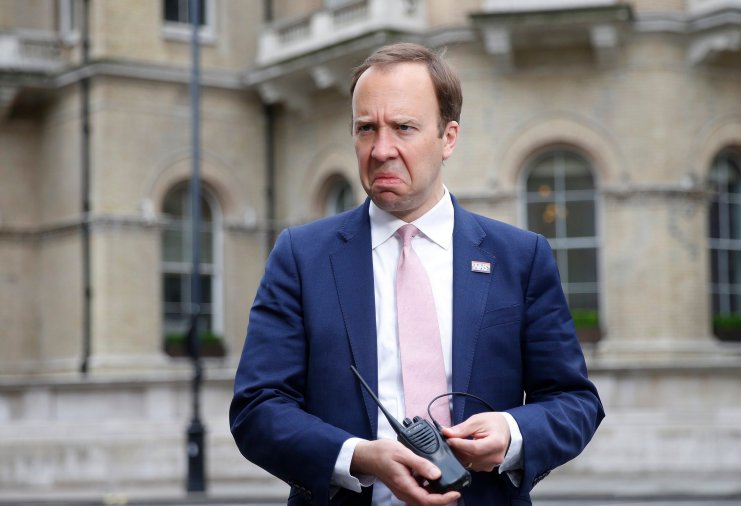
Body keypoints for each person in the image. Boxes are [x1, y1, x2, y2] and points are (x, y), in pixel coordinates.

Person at [230, 42, 604, 506]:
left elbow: (575, 401)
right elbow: (257, 409)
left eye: (403, 128)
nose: (381, 149)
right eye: (366, 128)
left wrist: (512, 432)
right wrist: (358, 456)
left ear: (448, 138)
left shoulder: (520, 257)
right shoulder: (300, 257)